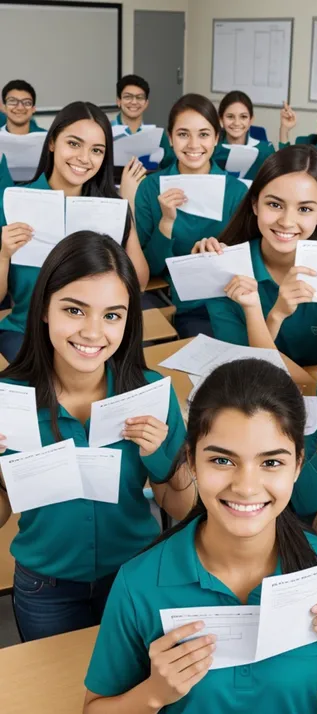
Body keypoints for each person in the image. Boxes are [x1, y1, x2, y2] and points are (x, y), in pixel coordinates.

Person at [83, 358, 317, 714]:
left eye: (271, 463)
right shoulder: (138, 582)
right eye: (222, 461)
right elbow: (94, 709)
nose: (246, 487)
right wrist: (154, 693)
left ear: (297, 465)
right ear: (192, 460)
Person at [0, 232, 193, 642]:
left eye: (112, 316)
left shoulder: (151, 392)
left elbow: (181, 504)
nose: (93, 332)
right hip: (45, 586)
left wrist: (165, 460)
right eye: (74, 310)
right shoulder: (8, 399)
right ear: (45, 310)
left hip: (134, 573)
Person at [0, 100, 149, 362]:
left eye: (97, 150)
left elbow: (138, 285)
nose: (84, 158)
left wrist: (127, 212)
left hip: (91, 337)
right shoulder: (14, 202)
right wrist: (3, 255)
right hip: (27, 333)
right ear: (52, 142)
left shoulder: (110, 208)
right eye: (74, 143)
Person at [194, 145, 317, 382]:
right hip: (258, 393)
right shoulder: (226, 268)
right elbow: (245, 369)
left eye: (305, 209)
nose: (287, 221)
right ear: (255, 204)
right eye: (275, 205)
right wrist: (275, 315)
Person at [135, 93, 247, 337]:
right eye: (183, 134)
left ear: (217, 138)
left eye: (204, 134)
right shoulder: (150, 188)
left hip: (230, 300)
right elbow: (148, 270)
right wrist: (166, 223)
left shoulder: (237, 191)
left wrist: (220, 252)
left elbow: (247, 263)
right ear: (170, 138)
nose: (194, 145)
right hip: (179, 304)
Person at [213, 91, 274, 180]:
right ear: (221, 120)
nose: (237, 123)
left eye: (243, 117)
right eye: (230, 117)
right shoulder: (211, 150)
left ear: (251, 120)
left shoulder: (265, 151)